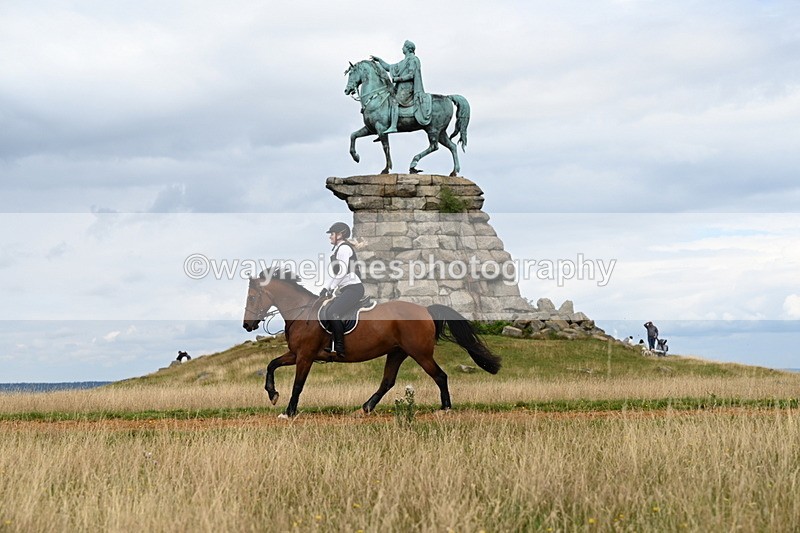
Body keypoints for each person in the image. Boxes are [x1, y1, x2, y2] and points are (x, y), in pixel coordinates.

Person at [320, 222, 365, 358]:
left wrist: (331, 289)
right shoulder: (338, 249)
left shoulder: (344, 249)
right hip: (346, 289)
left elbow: (342, 271)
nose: (330, 237)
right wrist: (326, 288)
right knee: (327, 309)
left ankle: (339, 347)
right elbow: (336, 274)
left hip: (354, 289)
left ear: (340, 234)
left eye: (332, 234)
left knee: (333, 312)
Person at [370, 40, 431, 134]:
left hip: (407, 89)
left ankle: (394, 126)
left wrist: (398, 79)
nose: (402, 48)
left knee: (394, 102)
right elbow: (388, 67)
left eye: (403, 46)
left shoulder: (413, 59)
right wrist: (379, 60)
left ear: (408, 48)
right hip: (400, 88)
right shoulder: (403, 62)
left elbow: (411, 75)